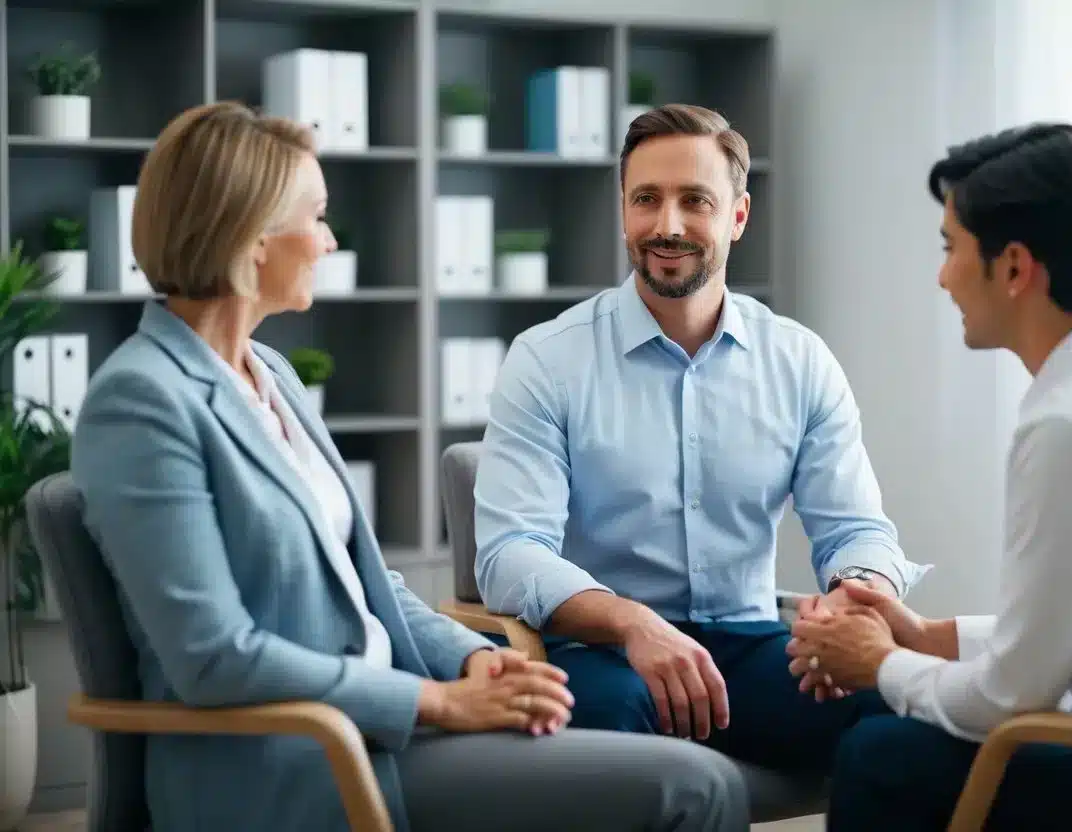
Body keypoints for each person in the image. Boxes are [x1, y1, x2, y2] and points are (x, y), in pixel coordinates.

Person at [69, 101, 752, 832]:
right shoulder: (141, 402)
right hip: (295, 759)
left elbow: (365, 584)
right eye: (318, 215)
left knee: (678, 774)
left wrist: (469, 659)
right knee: (695, 788)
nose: (328, 242)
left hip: (382, 731)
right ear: (251, 234)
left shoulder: (268, 373)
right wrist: (438, 703)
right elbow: (214, 657)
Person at [472, 102, 930, 776]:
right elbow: (510, 553)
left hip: (751, 646)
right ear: (622, 210)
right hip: (606, 653)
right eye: (645, 200)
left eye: (695, 200)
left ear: (737, 216)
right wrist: (631, 623)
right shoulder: (547, 360)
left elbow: (856, 529)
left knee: (902, 708)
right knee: (606, 724)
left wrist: (854, 592)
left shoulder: (798, 360)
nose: (667, 225)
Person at [788, 123, 1072, 830]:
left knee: (881, 755)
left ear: (1013, 268)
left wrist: (876, 661)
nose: (942, 275)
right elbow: (1070, 631)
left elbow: (1013, 698)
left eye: (951, 248)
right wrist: (922, 633)